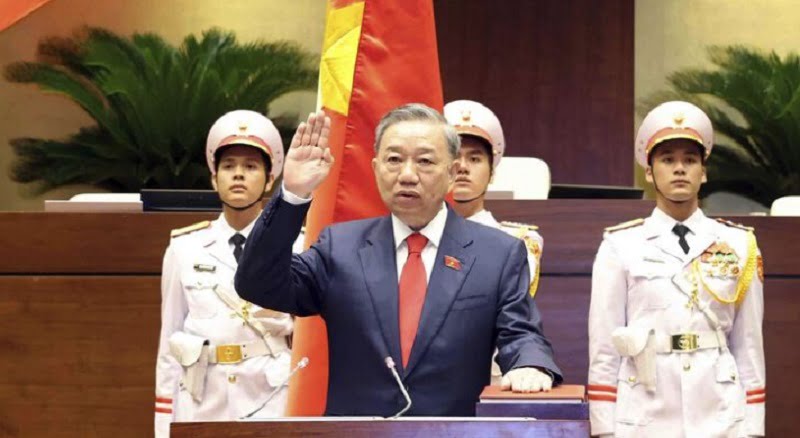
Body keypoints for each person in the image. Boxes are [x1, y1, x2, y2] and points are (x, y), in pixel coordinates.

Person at [235, 103, 562, 417]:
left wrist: (530, 365)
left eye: (425, 161)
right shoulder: (340, 247)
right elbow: (259, 284)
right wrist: (293, 194)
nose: (407, 174)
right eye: (394, 159)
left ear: (452, 173)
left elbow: (521, 333)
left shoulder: (498, 253)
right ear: (376, 168)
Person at [587, 101, 765, 437]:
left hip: (719, 410)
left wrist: (754, 425)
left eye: (690, 160)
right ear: (649, 172)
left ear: (704, 172)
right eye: (668, 160)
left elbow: (748, 343)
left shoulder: (739, 244)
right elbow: (605, 345)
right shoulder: (620, 245)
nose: (680, 169)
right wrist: (604, 426)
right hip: (646, 407)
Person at [154, 110, 303, 437]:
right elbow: (170, 343)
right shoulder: (184, 248)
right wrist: (164, 426)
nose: (238, 175)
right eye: (228, 166)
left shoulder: (297, 244)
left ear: (270, 180)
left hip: (273, 397)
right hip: (203, 398)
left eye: (250, 167)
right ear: (214, 178)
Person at [443, 99, 544, 386]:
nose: (463, 168)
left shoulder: (518, 242)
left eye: (475, 159)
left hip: (489, 381)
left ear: (492, 171)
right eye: (454, 157)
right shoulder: (415, 235)